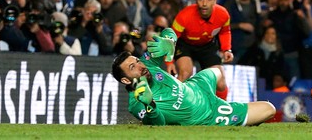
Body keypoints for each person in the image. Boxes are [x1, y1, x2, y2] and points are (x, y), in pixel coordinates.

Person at [111, 27, 276, 125]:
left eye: (137, 61)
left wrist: (169, 41)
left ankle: (223, 98)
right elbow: (157, 123)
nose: (141, 66)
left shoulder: (148, 64)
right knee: (269, 109)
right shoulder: (136, 103)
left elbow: (169, 31)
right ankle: (227, 109)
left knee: (218, 71)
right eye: (133, 67)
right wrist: (151, 105)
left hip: (196, 85)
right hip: (208, 113)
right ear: (125, 80)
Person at [169, 0, 232, 100]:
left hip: (207, 46)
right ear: (196, 0)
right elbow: (170, 39)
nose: (204, 3)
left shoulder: (223, 15)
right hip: (184, 45)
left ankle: (223, 112)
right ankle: (169, 108)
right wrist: (169, 62)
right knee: (185, 74)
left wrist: (226, 49)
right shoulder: (184, 16)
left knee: (221, 83)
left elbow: (225, 31)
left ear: (215, 1)